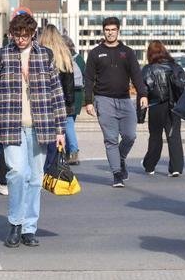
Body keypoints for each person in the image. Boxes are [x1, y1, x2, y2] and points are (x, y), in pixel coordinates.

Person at [0, 13, 67, 248]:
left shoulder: (45, 55)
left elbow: (56, 93)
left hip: (42, 126)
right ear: (11, 34)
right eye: (17, 35)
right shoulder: (2, 56)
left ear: (33, 34)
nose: (20, 39)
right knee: (17, 173)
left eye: (25, 35)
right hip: (11, 126)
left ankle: (29, 227)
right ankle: (15, 223)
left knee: (36, 178)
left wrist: (61, 129)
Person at [84, 17, 147, 188]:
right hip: (103, 100)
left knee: (130, 135)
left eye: (113, 29)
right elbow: (88, 79)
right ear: (103, 31)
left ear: (118, 31)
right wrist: (88, 101)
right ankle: (117, 173)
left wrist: (143, 94)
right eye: (107, 30)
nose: (110, 32)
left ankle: (120, 158)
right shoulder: (95, 53)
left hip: (125, 100)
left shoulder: (127, 52)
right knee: (111, 139)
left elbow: (136, 75)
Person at [141, 41, 185, 176]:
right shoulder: (175, 67)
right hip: (174, 106)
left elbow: (143, 92)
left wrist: (141, 115)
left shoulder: (148, 69)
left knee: (155, 137)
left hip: (156, 106)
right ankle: (176, 168)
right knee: (174, 136)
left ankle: (150, 165)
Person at [38, 24, 76, 174]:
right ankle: (51, 168)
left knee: (40, 137)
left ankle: (40, 167)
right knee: (57, 137)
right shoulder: (64, 54)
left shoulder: (39, 52)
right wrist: (69, 103)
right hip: (59, 103)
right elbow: (69, 83)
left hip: (42, 101)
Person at [63, 35, 85, 165]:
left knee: (68, 123)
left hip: (68, 93)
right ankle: (68, 152)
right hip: (78, 94)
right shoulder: (79, 58)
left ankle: (73, 151)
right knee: (70, 123)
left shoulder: (63, 58)